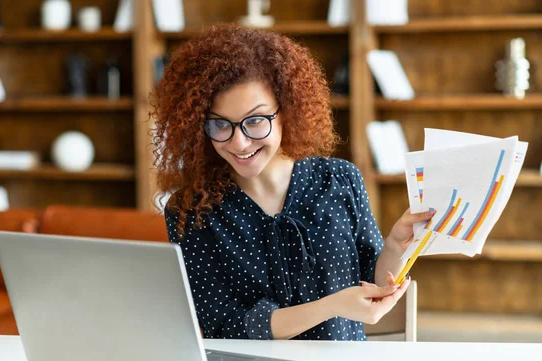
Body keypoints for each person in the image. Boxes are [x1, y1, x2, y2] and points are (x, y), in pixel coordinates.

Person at [150, 24, 434, 341]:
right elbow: (227, 326)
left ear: (287, 110)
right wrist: (330, 306)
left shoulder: (340, 180)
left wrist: (396, 245)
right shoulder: (192, 212)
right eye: (220, 124)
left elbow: (374, 282)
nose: (239, 143)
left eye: (255, 121)